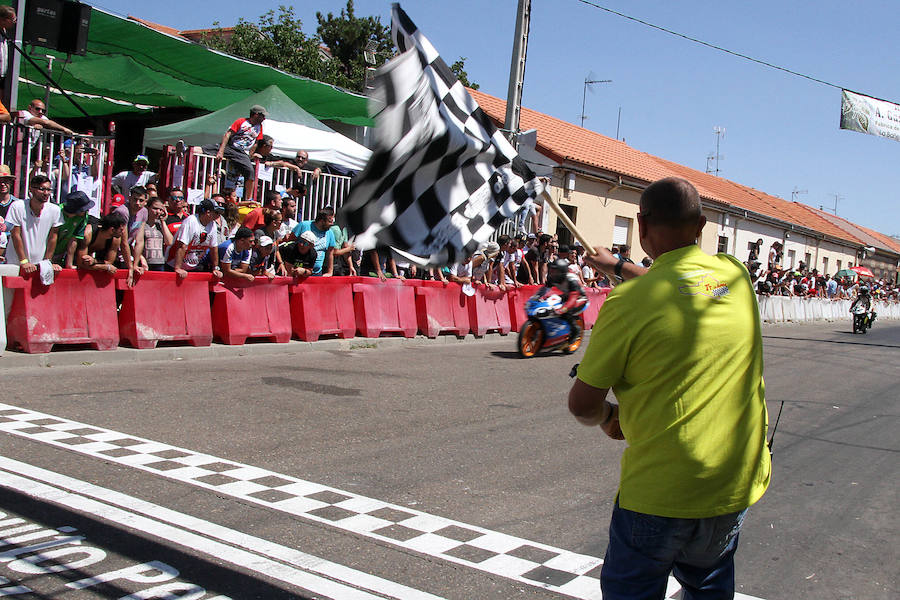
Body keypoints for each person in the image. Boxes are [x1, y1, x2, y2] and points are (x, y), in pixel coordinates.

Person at [569, 177, 770, 600]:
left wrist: (609, 418)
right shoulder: (733, 278)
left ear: (640, 226)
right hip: (732, 485)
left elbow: (582, 403)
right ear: (701, 226)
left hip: (659, 495)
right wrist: (619, 268)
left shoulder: (627, 303)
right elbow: (687, 285)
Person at [4, 174, 63, 274]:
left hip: (39, 266)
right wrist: (23, 261)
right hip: (15, 263)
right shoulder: (17, 206)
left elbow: (53, 237)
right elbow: (15, 235)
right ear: (31, 189)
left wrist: (47, 261)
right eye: (42, 189)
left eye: (48, 190)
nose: (46, 193)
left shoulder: (55, 210)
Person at [214, 104, 266, 196]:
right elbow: (228, 134)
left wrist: (251, 155)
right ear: (256, 114)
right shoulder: (241, 121)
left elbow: (256, 142)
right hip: (231, 147)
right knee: (210, 148)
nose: (264, 118)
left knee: (250, 171)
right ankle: (187, 149)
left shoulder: (260, 126)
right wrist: (221, 151)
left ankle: (249, 198)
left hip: (242, 153)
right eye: (263, 116)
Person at [166, 199, 223, 279]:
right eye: (216, 212)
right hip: (173, 265)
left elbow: (214, 248)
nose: (219, 216)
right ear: (208, 213)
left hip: (193, 266)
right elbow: (182, 245)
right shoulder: (191, 221)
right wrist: (177, 268)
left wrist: (215, 268)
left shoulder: (212, 224)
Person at [541, 257, 587, 342]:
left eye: (555, 271)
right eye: (551, 270)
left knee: (566, 312)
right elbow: (544, 290)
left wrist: (561, 310)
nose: (552, 273)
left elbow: (572, 300)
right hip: (567, 295)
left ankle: (575, 330)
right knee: (549, 303)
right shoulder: (552, 278)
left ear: (561, 272)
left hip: (579, 298)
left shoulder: (571, 280)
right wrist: (536, 298)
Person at [51, 190, 93, 268]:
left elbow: (73, 240)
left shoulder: (83, 216)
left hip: (59, 254)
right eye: (85, 209)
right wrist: (48, 260)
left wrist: (69, 264)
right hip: (44, 253)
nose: (87, 211)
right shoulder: (56, 211)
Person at [292, 206, 337, 276]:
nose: (332, 224)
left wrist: (330, 272)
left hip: (317, 273)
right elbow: (290, 242)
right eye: (329, 221)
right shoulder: (304, 225)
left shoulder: (330, 233)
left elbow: (330, 252)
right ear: (322, 221)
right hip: (298, 271)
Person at [138, 196, 174, 272]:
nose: (158, 212)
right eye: (155, 208)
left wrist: (163, 221)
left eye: (160, 210)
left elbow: (169, 242)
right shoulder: (142, 224)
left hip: (159, 263)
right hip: (144, 263)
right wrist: (141, 258)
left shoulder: (160, 225)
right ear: (148, 208)